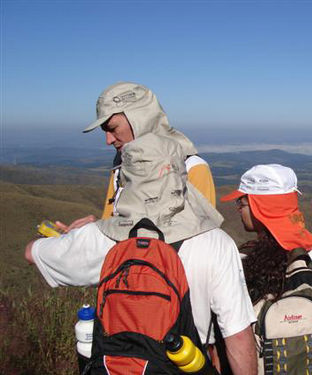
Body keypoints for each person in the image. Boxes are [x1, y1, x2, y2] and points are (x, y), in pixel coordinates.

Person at [24, 133, 257, 374]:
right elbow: (238, 336)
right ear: (179, 174)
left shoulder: (99, 237)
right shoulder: (215, 243)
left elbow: (31, 253)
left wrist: (72, 236)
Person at [220, 164, 312, 373]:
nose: (238, 208)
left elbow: (232, 338)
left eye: (242, 202)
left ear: (258, 207)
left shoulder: (238, 261)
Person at [59, 81, 216, 232]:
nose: (108, 140)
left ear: (141, 120)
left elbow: (203, 240)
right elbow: (113, 223)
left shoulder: (192, 168)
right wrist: (95, 230)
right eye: (104, 131)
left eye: (113, 128)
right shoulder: (120, 166)